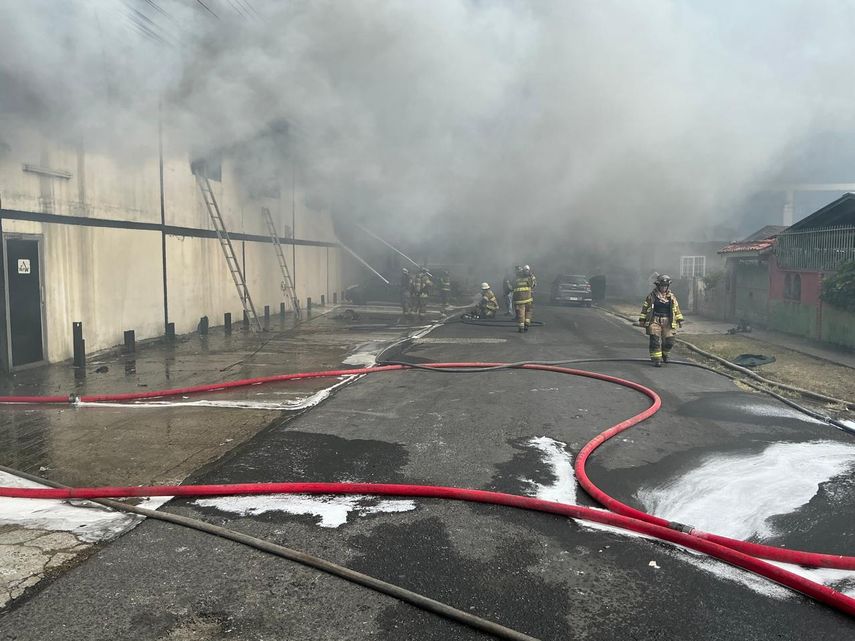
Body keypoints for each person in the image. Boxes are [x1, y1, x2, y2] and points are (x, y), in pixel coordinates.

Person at [638, 274, 684, 367]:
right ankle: (656, 359)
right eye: (662, 286)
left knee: (670, 341)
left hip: (668, 321)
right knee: (654, 340)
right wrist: (642, 320)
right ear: (658, 286)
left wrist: (679, 319)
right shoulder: (651, 296)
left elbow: (676, 309)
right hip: (654, 320)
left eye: (665, 286)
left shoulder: (671, 297)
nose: (664, 288)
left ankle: (665, 354)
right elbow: (645, 308)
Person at [512, 265, 535, 332]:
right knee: (528, 311)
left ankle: (521, 327)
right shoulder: (528, 278)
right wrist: (532, 276)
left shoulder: (515, 279)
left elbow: (512, 287)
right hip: (528, 299)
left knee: (521, 313)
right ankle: (527, 324)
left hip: (519, 300)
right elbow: (533, 285)